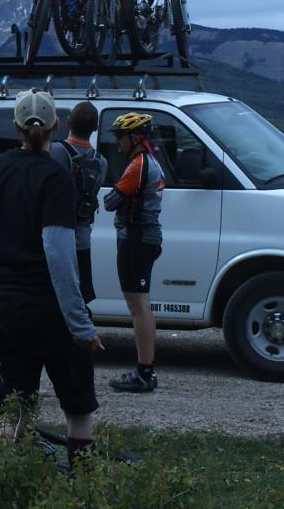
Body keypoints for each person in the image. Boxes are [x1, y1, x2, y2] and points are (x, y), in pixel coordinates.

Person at [0, 89, 103, 470]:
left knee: (11, 407)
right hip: (49, 310)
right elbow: (59, 254)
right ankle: (82, 485)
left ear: (16, 127)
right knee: (77, 406)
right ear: (55, 126)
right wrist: (81, 326)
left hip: (4, 305)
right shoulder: (57, 175)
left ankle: (5, 484)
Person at [103, 112, 165, 393]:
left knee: (137, 305)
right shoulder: (151, 163)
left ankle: (144, 373)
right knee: (140, 304)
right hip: (144, 238)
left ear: (136, 137)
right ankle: (145, 370)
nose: (117, 143)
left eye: (120, 137)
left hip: (137, 239)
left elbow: (110, 202)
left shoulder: (138, 166)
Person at [49, 102, 106, 304]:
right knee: (79, 299)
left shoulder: (55, 151)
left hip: (55, 238)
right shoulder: (102, 162)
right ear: (95, 129)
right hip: (82, 240)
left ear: (67, 122)